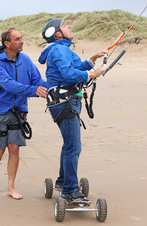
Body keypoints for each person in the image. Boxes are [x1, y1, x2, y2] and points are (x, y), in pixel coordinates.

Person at [39, 19, 108, 203]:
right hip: (64, 103)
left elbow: (75, 67)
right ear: (58, 34)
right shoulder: (59, 49)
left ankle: (63, 181)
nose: (69, 26)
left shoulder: (63, 49)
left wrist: (92, 59)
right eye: (65, 25)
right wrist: (92, 74)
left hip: (66, 102)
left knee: (69, 144)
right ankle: (69, 190)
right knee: (73, 147)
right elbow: (69, 74)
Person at [0, 28, 47, 199]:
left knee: (14, 149)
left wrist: (54, 86)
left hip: (19, 111)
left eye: (22, 38)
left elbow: (38, 81)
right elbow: (8, 84)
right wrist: (33, 91)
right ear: (7, 43)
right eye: (17, 39)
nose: (22, 41)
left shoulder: (26, 60)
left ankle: (11, 188)